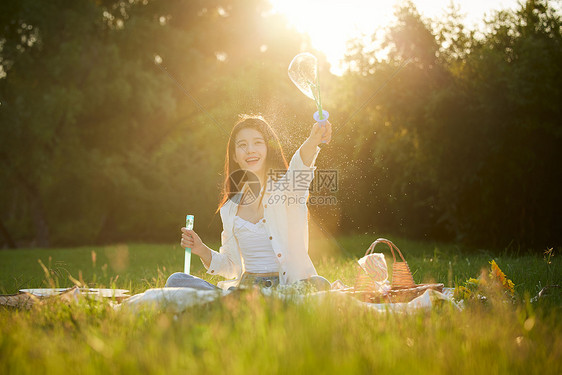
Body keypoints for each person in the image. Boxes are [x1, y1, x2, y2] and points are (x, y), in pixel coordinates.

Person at [166, 114, 332, 291]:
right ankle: (244, 304)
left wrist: (313, 140)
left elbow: (299, 168)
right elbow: (231, 265)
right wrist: (201, 249)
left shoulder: (287, 189)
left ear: (268, 148)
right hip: (245, 291)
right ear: (235, 156)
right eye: (242, 145)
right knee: (177, 280)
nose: (250, 150)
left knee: (319, 284)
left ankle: (252, 304)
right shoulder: (229, 208)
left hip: (288, 288)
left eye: (257, 143)